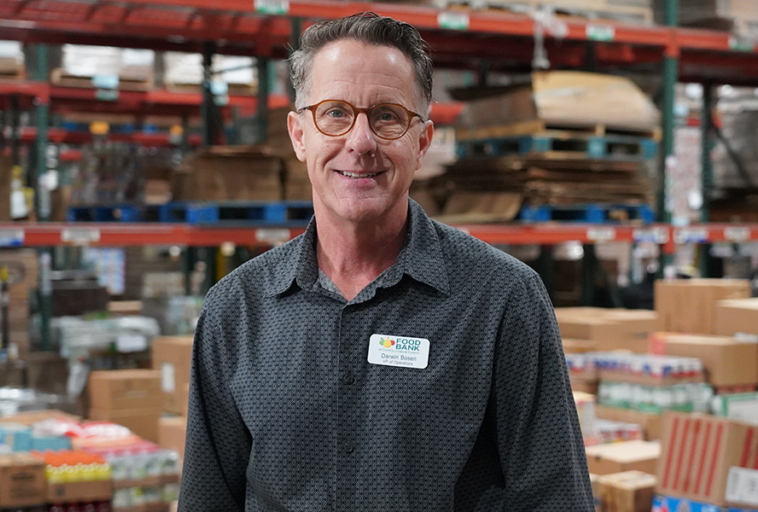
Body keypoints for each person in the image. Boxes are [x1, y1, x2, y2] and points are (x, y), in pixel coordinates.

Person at [179, 12, 593, 511]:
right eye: (334, 113)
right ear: (298, 134)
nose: (360, 142)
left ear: (421, 142)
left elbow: (554, 499)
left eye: (387, 116)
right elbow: (207, 500)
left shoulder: (502, 300)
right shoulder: (236, 311)